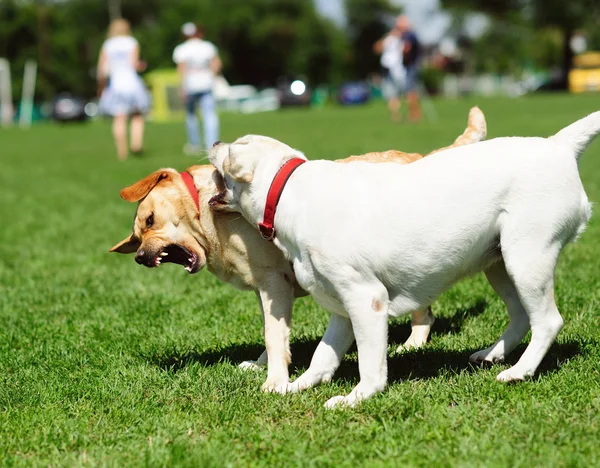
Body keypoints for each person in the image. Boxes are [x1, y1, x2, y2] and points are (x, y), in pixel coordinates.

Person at [97, 18, 150, 160]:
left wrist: (101, 86)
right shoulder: (132, 42)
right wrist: (142, 65)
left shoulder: (108, 45)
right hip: (132, 83)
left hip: (115, 84)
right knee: (137, 115)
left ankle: (122, 152)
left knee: (119, 118)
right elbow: (134, 64)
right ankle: (136, 144)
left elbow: (101, 69)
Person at [173, 22, 222, 156]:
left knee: (191, 115)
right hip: (206, 83)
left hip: (190, 84)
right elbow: (217, 64)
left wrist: (181, 87)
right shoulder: (207, 46)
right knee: (210, 115)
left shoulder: (182, 49)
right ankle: (212, 144)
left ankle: (194, 144)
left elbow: (181, 69)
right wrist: (211, 75)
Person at [374, 15, 422, 122]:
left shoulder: (409, 36)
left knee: (408, 92)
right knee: (392, 94)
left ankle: (414, 115)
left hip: (404, 69)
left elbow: (407, 49)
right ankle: (398, 116)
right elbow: (377, 48)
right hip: (389, 68)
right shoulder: (391, 37)